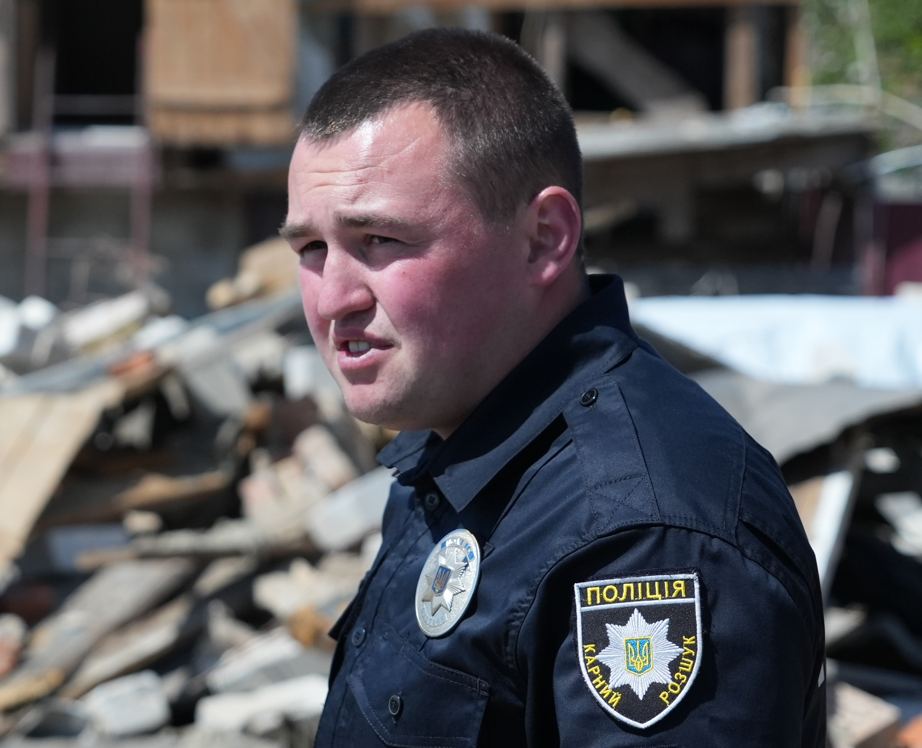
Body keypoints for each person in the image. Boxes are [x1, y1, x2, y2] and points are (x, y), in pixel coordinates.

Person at [282, 27, 825, 747]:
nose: (331, 298)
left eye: (380, 241)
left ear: (544, 237)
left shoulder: (644, 539)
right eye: (311, 248)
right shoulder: (458, 444)